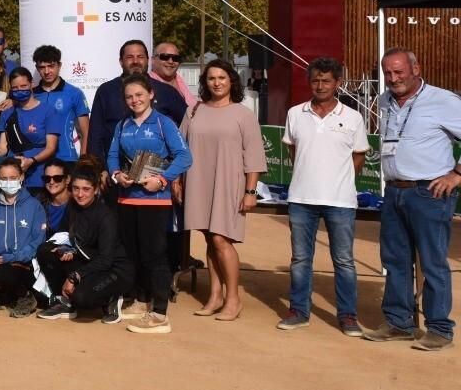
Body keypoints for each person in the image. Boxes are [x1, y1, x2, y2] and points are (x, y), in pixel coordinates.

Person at [363, 48, 461, 350]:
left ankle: (440, 329)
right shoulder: (384, 101)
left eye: (399, 72)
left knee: (432, 262)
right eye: (388, 73)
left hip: (429, 193)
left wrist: (456, 175)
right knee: (395, 261)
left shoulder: (443, 101)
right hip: (394, 192)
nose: (393, 79)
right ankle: (399, 323)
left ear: (415, 68)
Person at [276, 57, 369, 336]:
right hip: (302, 199)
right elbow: (294, 152)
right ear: (310, 81)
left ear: (337, 83)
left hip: (340, 201)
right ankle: (299, 311)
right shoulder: (295, 113)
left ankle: (348, 316)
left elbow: (359, 157)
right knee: (300, 259)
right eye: (315, 80)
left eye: (326, 80)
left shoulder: (353, 117)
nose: (320, 85)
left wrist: (336, 182)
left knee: (343, 261)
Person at [107, 74, 193, 335]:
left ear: (151, 94)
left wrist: (163, 180)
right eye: (129, 97)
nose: (134, 100)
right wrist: (116, 175)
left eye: (139, 95)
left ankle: (159, 313)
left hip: (154, 200)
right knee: (133, 253)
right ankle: (142, 301)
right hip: (127, 197)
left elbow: (184, 156)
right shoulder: (123, 125)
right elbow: (112, 155)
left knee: (155, 254)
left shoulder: (163, 122)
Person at [180, 58, 265, 320]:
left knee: (221, 238)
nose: (216, 83)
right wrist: (176, 181)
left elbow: (254, 157)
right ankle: (215, 295)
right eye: (211, 78)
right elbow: (180, 148)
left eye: (222, 78)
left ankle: (233, 298)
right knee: (208, 237)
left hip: (229, 183)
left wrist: (250, 193)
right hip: (198, 181)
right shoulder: (193, 110)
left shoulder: (243, 114)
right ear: (205, 82)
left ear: (231, 81)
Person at [36, 155, 133, 323]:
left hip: (114, 270)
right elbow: (64, 233)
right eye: (76, 188)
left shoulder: (105, 216)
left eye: (86, 189)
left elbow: (106, 259)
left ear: (95, 190)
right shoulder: (72, 206)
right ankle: (64, 302)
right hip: (88, 261)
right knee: (45, 250)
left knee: (82, 298)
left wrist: (74, 276)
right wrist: (65, 249)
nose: (80, 194)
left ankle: (112, 298)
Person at [89, 40, 188, 159]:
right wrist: (99, 169)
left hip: (159, 172)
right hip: (115, 170)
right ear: (121, 62)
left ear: (148, 60)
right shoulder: (106, 91)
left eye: (140, 57)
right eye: (130, 57)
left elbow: (187, 127)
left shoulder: (167, 92)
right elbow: (95, 134)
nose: (135, 61)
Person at [0, 158, 46, 316]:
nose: (9, 182)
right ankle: (10, 296)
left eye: (13, 178)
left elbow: (36, 244)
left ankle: (26, 297)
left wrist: (12, 257)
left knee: (0, 273)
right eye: (4, 178)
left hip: (24, 264)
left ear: (21, 177)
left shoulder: (35, 206)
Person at [0, 67, 60, 192]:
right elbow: (2, 148)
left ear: (31, 84)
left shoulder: (48, 111)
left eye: (23, 86)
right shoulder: (7, 113)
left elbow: (51, 147)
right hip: (13, 178)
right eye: (15, 88)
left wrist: (31, 161)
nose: (19, 90)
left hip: (39, 176)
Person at [33, 44, 90, 162]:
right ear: (37, 68)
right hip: (37, 160)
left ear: (59, 65)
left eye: (51, 66)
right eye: (42, 67)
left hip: (66, 159)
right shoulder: (31, 95)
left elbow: (86, 132)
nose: (47, 71)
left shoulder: (74, 93)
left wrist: (84, 160)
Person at [149, 42, 197, 108]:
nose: (170, 61)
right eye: (165, 57)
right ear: (153, 60)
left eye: (175, 58)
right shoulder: (147, 84)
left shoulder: (180, 81)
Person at [39, 163, 70, 232]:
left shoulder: (78, 203)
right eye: (47, 178)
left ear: (68, 179)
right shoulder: (39, 204)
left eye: (57, 178)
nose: (51, 182)